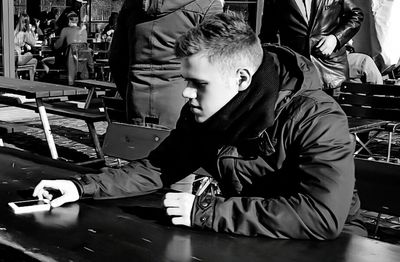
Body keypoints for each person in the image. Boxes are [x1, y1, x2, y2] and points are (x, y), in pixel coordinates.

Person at [33, 12, 366, 239]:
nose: (186, 92)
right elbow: (159, 167)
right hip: (249, 240)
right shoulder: (204, 113)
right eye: (185, 79)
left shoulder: (316, 117)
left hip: (328, 247)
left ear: (241, 78)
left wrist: (204, 211)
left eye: (198, 82)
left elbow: (322, 216)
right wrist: (80, 187)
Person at [109, 0, 223, 129]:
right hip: (184, 97)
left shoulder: (132, 5)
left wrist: (130, 90)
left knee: (140, 144)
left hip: (138, 97)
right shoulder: (206, 4)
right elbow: (216, 62)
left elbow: (117, 58)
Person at [259, 0, 364, 95]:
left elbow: (356, 15)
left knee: (333, 113)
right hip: (297, 70)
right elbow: (268, 35)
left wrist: (335, 38)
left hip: (331, 71)